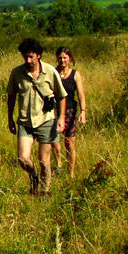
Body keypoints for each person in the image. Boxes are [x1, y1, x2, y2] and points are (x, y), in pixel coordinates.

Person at [6, 37, 67, 196]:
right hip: (25, 121)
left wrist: (61, 118)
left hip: (46, 120)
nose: (28, 60)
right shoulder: (17, 73)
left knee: (44, 160)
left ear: (38, 55)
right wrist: (10, 118)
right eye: (25, 56)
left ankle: (44, 191)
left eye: (31, 56)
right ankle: (33, 175)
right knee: (23, 158)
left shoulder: (50, 71)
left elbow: (61, 95)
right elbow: (11, 96)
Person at [53, 46, 86, 178]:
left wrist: (83, 111)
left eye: (65, 58)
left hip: (71, 111)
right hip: (55, 111)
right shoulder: (53, 73)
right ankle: (59, 164)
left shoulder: (75, 75)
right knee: (54, 140)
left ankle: (71, 173)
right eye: (60, 58)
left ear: (70, 59)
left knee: (70, 143)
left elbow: (81, 95)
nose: (62, 60)